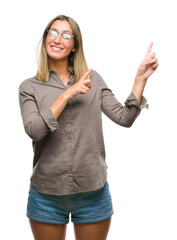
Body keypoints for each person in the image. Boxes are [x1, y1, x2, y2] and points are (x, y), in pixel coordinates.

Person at [18, 14, 158, 240]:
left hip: (93, 192)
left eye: (66, 35)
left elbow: (125, 118)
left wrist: (139, 81)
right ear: (45, 39)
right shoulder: (29, 87)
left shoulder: (93, 79)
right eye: (52, 33)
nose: (57, 39)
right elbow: (35, 130)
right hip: (47, 194)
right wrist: (67, 94)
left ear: (75, 45)